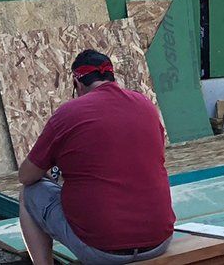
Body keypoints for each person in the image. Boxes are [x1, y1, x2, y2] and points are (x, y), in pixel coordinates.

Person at [17, 50, 174, 265]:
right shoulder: (146, 105)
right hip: (159, 240)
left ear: (77, 83)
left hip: (103, 251)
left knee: (28, 194)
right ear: (112, 77)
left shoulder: (69, 113)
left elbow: (26, 176)